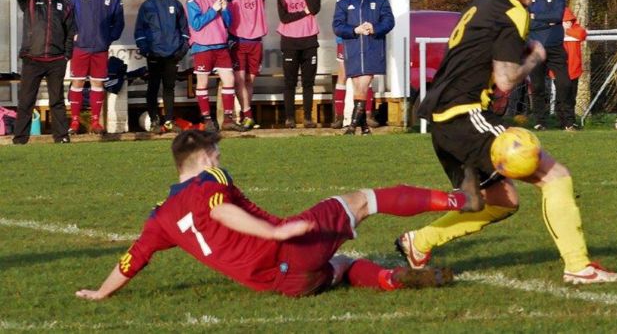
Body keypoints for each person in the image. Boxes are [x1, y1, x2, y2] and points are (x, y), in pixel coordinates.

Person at [396, 0, 617, 285]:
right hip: (465, 116)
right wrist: (535, 57)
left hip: (444, 122)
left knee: (497, 202)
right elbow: (506, 79)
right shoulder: (512, 11)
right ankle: (578, 266)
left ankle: (419, 242)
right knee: (557, 176)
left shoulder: (480, 6)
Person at [74, 129, 478, 300]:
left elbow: (133, 259)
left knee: (340, 265)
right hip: (287, 249)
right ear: (202, 159)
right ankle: (458, 201)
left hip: (280, 285)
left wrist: (101, 292)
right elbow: (221, 212)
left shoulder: (159, 217)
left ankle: (391, 279)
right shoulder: (209, 180)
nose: (220, 156)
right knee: (362, 200)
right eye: (215, 152)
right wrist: (275, 233)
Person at [12, 0, 75, 144]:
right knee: (26, 101)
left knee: (57, 100)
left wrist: (66, 56)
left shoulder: (64, 4)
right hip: (32, 59)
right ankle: (20, 139)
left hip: (56, 60)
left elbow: (71, 32)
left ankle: (62, 137)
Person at [333, 0, 395, 135]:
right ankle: (365, 128)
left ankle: (352, 127)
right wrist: (355, 30)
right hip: (352, 49)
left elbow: (389, 21)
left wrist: (374, 28)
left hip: (372, 49)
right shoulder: (343, 0)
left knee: (363, 85)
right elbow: (337, 26)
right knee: (357, 87)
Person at [224, 0, 281, 130]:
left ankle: (244, 115)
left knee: (249, 81)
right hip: (238, 42)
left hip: (256, 42)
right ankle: (248, 114)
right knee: (239, 80)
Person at [68, 0, 124, 135]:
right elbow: (67, 15)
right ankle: (75, 122)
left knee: (97, 84)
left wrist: (108, 38)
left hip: (100, 47)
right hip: (81, 46)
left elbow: (119, 21)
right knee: (77, 82)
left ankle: (95, 122)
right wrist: (74, 34)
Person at [185, 0, 241, 132]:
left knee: (229, 79)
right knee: (202, 83)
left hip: (221, 45)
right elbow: (196, 24)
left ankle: (228, 119)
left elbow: (229, 23)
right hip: (203, 46)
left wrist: (224, 10)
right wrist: (213, 10)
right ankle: (207, 119)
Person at [134, 0, 190, 133]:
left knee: (169, 88)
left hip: (172, 55)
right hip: (154, 54)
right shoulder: (147, 5)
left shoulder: (176, 4)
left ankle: (168, 122)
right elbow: (139, 31)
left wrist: (182, 49)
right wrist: (146, 50)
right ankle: (153, 120)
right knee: (152, 87)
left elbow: (185, 30)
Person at [276, 0, 322, 129]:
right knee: (290, 82)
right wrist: (304, 12)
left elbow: (315, 9)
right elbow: (285, 18)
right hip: (289, 43)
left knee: (308, 82)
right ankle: (289, 118)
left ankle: (308, 118)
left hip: (309, 42)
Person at [528, 0, 574, 131]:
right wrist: (546, 21)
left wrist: (535, 16)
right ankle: (540, 122)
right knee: (538, 86)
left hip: (555, 46)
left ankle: (567, 122)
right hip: (535, 47)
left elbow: (557, 15)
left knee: (565, 84)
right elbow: (526, 20)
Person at [560, 8, 587, 128]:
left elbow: (581, 34)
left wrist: (568, 31)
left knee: (571, 98)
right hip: (559, 70)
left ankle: (570, 122)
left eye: (570, 21)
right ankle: (563, 122)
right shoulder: (555, 31)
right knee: (561, 98)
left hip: (573, 70)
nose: (568, 23)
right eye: (565, 21)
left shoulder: (576, 29)